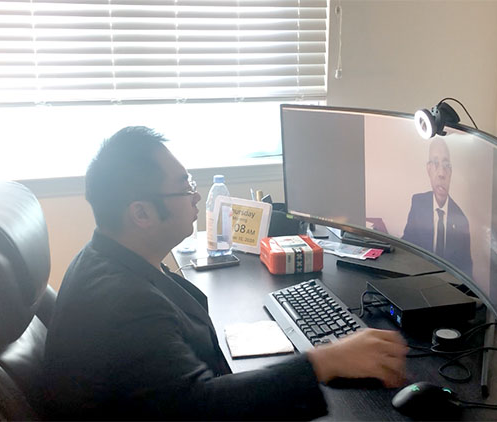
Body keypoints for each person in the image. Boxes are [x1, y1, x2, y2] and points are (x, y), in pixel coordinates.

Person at [44, 126, 409, 420]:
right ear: (141, 214)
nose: (195, 196)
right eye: (184, 187)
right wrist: (323, 362)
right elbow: (200, 408)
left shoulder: (102, 257)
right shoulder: (124, 303)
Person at [402, 138, 473, 278]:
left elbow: (467, 271)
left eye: (446, 165)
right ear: (428, 169)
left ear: (451, 172)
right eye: (436, 163)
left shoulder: (462, 220)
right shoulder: (418, 203)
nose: (441, 173)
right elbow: (406, 246)